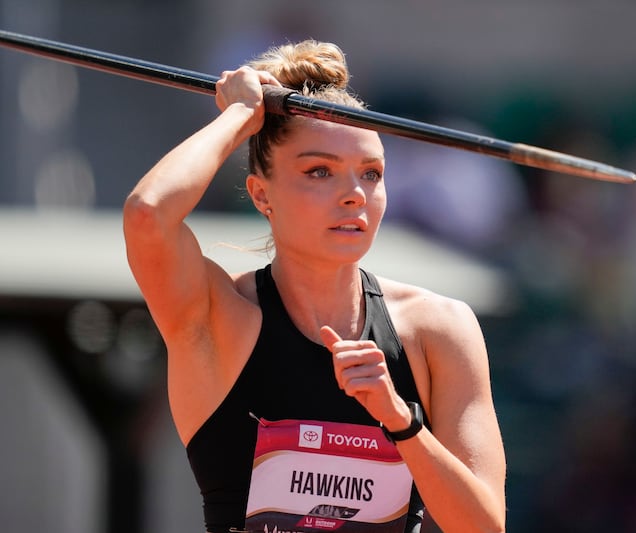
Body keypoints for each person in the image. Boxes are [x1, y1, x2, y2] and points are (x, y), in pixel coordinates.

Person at [122, 39, 506, 533]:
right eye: (320, 171)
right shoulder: (220, 318)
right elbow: (149, 215)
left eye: (371, 173)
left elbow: (485, 528)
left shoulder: (439, 327)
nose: (354, 195)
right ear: (262, 194)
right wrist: (240, 114)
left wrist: (401, 422)